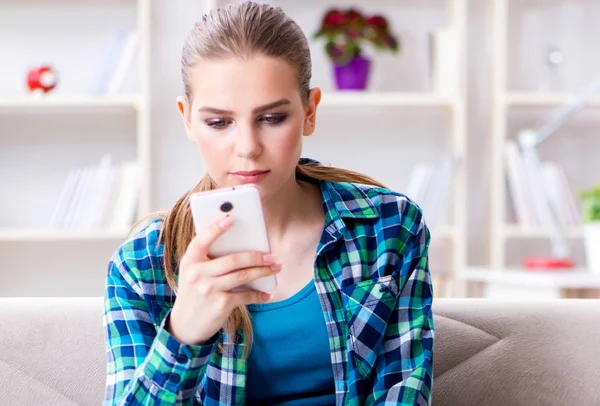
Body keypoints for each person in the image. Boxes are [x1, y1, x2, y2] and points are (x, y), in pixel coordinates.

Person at [102, 1, 434, 405]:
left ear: (310, 111)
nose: (247, 148)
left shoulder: (389, 228)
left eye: (272, 118)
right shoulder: (141, 265)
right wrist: (184, 333)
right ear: (187, 118)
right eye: (219, 122)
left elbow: (405, 393)